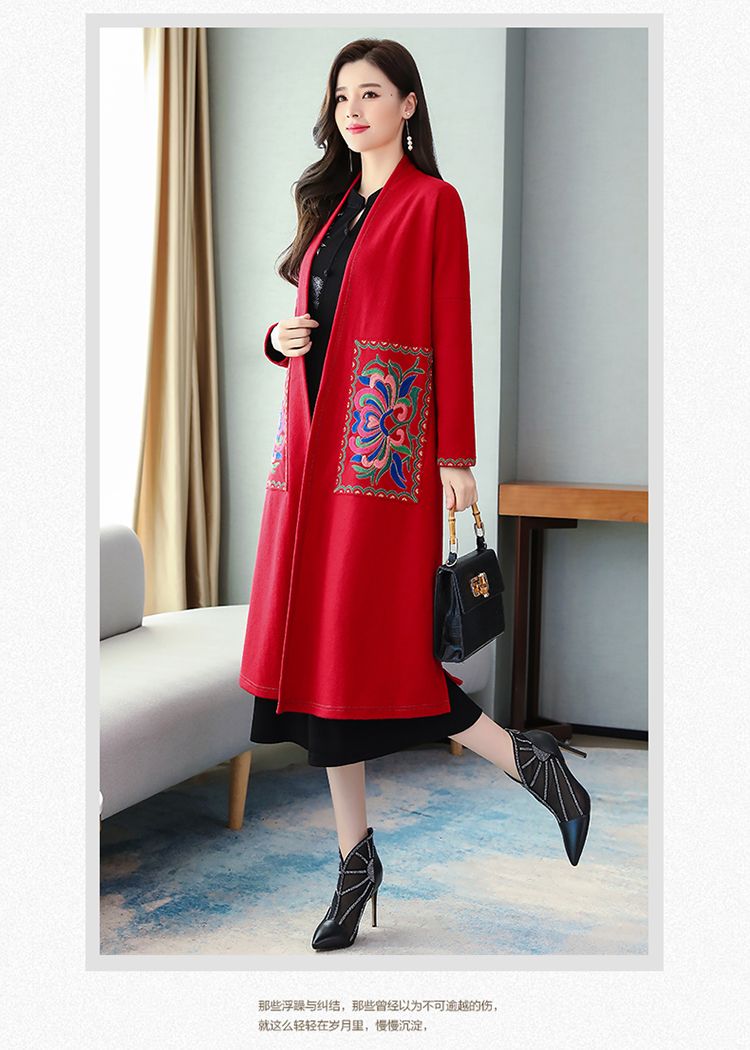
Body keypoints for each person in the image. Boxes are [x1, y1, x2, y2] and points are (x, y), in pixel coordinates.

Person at [239, 38, 592, 952]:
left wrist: (457, 458)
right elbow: (314, 322)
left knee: (381, 651)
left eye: (370, 93)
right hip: (308, 460)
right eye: (341, 97)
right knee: (324, 665)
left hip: (382, 462)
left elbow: (451, 327)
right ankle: (357, 862)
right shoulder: (331, 206)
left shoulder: (435, 203)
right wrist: (278, 339)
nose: (352, 110)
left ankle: (527, 762)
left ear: (408, 104)